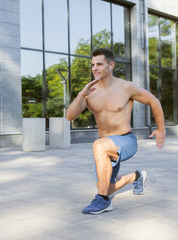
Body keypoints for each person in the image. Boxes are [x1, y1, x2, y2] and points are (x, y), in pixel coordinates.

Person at [66, 48, 166, 215]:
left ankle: (102, 201)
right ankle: (136, 177)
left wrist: (161, 129)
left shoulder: (126, 87)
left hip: (126, 141)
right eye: (92, 65)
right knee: (105, 186)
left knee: (99, 145)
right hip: (106, 148)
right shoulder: (90, 93)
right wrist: (81, 95)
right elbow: (70, 116)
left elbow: (154, 102)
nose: (94, 68)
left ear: (110, 65)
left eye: (99, 64)